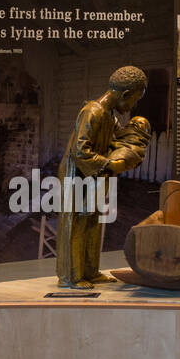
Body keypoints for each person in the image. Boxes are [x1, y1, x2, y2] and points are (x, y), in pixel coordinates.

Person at [55, 65, 148, 288]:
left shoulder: (109, 116)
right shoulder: (93, 111)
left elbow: (117, 140)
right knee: (75, 225)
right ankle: (72, 276)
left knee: (93, 223)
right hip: (76, 176)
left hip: (94, 177)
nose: (132, 107)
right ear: (125, 94)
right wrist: (109, 164)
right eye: (133, 101)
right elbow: (80, 151)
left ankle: (90, 271)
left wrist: (136, 137)